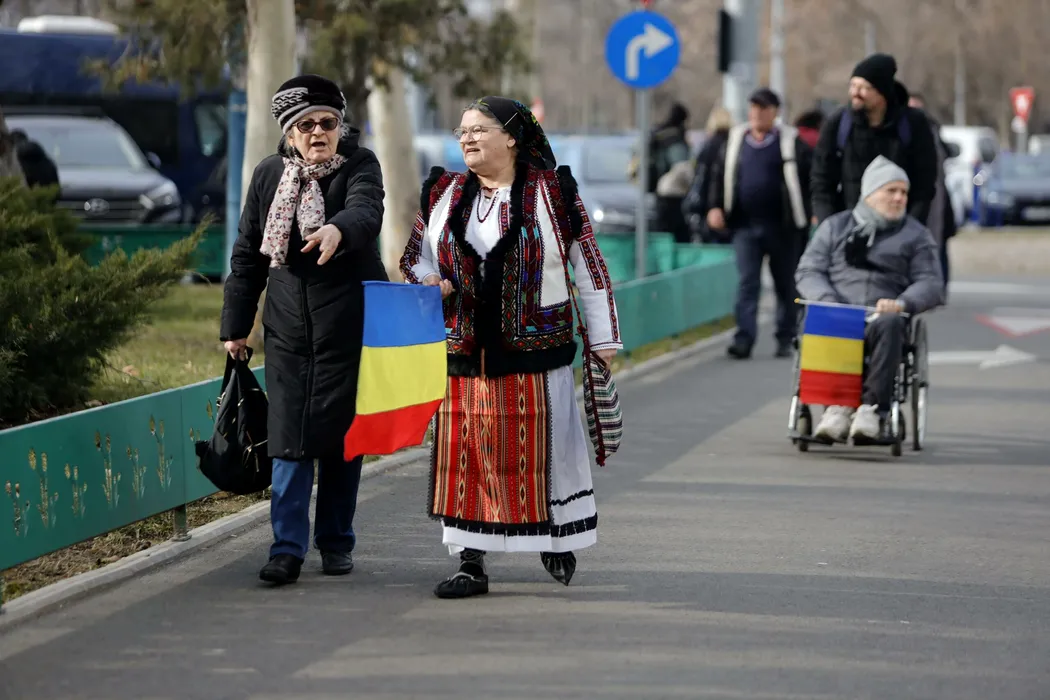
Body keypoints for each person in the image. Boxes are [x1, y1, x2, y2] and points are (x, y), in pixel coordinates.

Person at [399, 96, 622, 599]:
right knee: (466, 457)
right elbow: (414, 257)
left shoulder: (553, 193)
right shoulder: (442, 193)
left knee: (542, 456)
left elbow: (588, 264)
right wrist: (429, 280)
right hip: (462, 355)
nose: (468, 139)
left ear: (513, 138)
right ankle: (469, 561)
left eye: (479, 129)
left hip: (536, 356)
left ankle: (553, 537)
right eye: (462, 131)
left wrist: (603, 337)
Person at [219, 74, 388, 585]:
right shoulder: (269, 174)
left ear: (341, 127)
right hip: (288, 328)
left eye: (328, 123)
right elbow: (248, 254)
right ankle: (286, 549)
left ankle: (335, 542)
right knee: (287, 439)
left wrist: (338, 228)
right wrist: (236, 326)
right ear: (289, 131)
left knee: (342, 440)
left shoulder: (359, 164)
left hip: (348, 324)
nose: (319, 132)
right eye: (307, 124)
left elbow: (367, 210)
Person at [796, 156, 944, 443]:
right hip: (839, 310)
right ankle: (837, 408)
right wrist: (827, 299)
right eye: (891, 191)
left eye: (903, 192)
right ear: (870, 194)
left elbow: (931, 282)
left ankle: (871, 410)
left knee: (890, 322)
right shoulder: (835, 227)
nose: (899, 198)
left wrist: (901, 303)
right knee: (827, 316)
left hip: (883, 313)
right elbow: (808, 270)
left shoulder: (915, 235)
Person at [705, 87, 813, 360]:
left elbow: (809, 178)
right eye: (753, 108)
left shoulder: (790, 142)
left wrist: (811, 211)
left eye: (763, 109)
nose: (757, 114)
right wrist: (715, 206)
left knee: (786, 284)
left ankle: (786, 337)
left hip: (783, 227)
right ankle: (744, 338)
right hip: (745, 226)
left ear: (775, 112)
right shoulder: (735, 141)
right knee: (747, 283)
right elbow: (718, 175)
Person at [810, 53, 939, 227]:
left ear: (882, 92)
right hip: (849, 226)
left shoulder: (913, 124)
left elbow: (924, 184)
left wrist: (911, 228)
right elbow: (821, 182)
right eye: (853, 85)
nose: (855, 93)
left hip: (899, 227)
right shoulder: (838, 124)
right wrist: (830, 227)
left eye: (864, 88)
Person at [907, 90, 957, 292]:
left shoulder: (931, 131)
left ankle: (937, 287)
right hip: (917, 198)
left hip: (936, 199)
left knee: (937, 244)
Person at [682, 106, 733, 243]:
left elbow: (700, 178)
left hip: (708, 208)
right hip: (729, 206)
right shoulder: (733, 146)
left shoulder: (707, 146)